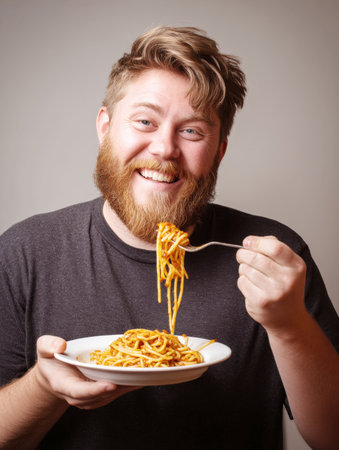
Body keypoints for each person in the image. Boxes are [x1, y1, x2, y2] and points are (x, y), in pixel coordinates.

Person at [0, 26, 338, 450]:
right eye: (144, 121)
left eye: (192, 131)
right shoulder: (23, 253)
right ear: (105, 126)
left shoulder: (277, 261)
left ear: (219, 150)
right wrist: (43, 388)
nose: (164, 148)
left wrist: (289, 325)